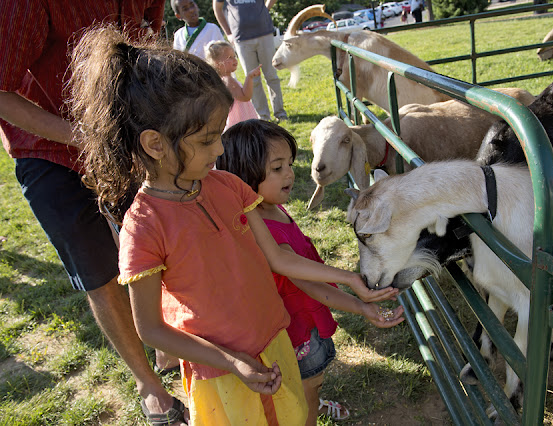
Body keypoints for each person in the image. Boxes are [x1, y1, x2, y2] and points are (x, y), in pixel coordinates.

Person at [68, 26, 399, 425]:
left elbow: (278, 257)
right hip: (222, 373)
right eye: (208, 140)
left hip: (274, 344)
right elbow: (152, 330)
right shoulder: (143, 227)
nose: (220, 149)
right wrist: (232, 361)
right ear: (156, 144)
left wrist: (348, 279)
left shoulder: (227, 185)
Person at [0, 3, 187, 425]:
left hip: (121, 138)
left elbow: (146, 41)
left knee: (156, 245)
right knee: (98, 270)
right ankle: (150, 388)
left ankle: (167, 343)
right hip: (46, 149)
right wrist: (84, 138)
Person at [216, 119, 405, 424]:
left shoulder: (270, 208)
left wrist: (360, 306)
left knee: (300, 391)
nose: (290, 173)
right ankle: (311, 407)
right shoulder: (260, 224)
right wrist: (355, 294)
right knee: (306, 392)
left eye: (289, 164)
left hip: (301, 330)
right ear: (243, 173)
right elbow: (306, 281)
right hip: (298, 337)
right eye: (277, 168)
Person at [213, 0, 289, 123]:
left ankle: (280, 113)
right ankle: (262, 116)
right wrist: (228, 32)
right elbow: (217, 7)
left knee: (271, 75)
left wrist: (265, 9)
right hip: (241, 37)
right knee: (253, 79)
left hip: (264, 32)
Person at [205, 40, 260, 130]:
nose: (234, 59)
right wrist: (249, 77)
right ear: (217, 63)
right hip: (240, 122)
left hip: (237, 122)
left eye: (234, 56)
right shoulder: (228, 80)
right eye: (229, 57)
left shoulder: (222, 80)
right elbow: (245, 96)